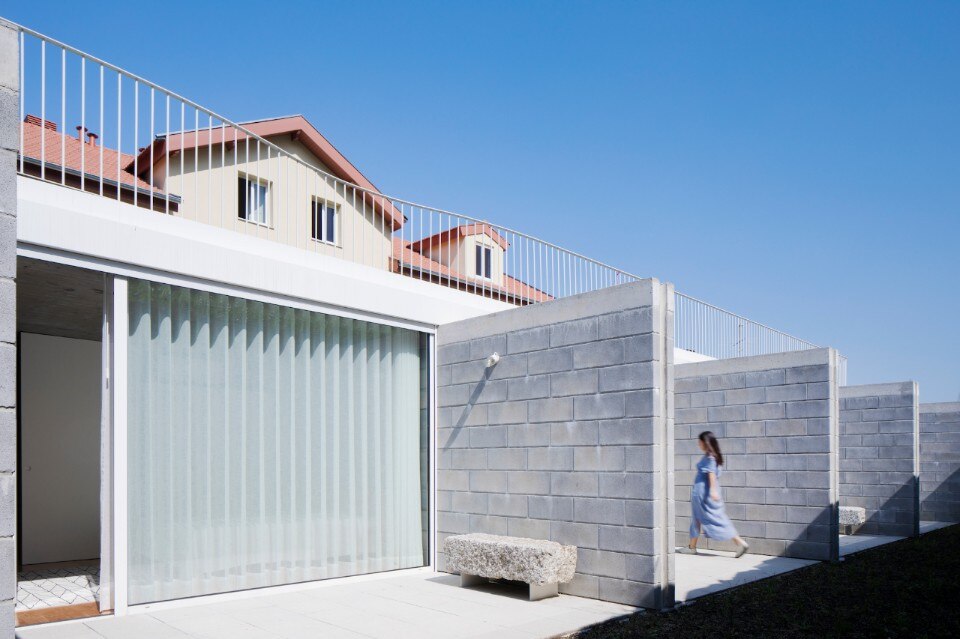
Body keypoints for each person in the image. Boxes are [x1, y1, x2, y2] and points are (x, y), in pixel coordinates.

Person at [678, 431, 750, 557]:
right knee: (702, 518)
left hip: (702, 493)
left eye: (699, 441)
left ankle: (739, 542)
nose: (698, 444)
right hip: (705, 492)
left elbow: (711, 474)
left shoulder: (709, 457)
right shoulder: (715, 456)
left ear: (705, 442)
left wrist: (712, 491)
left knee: (713, 518)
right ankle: (692, 546)